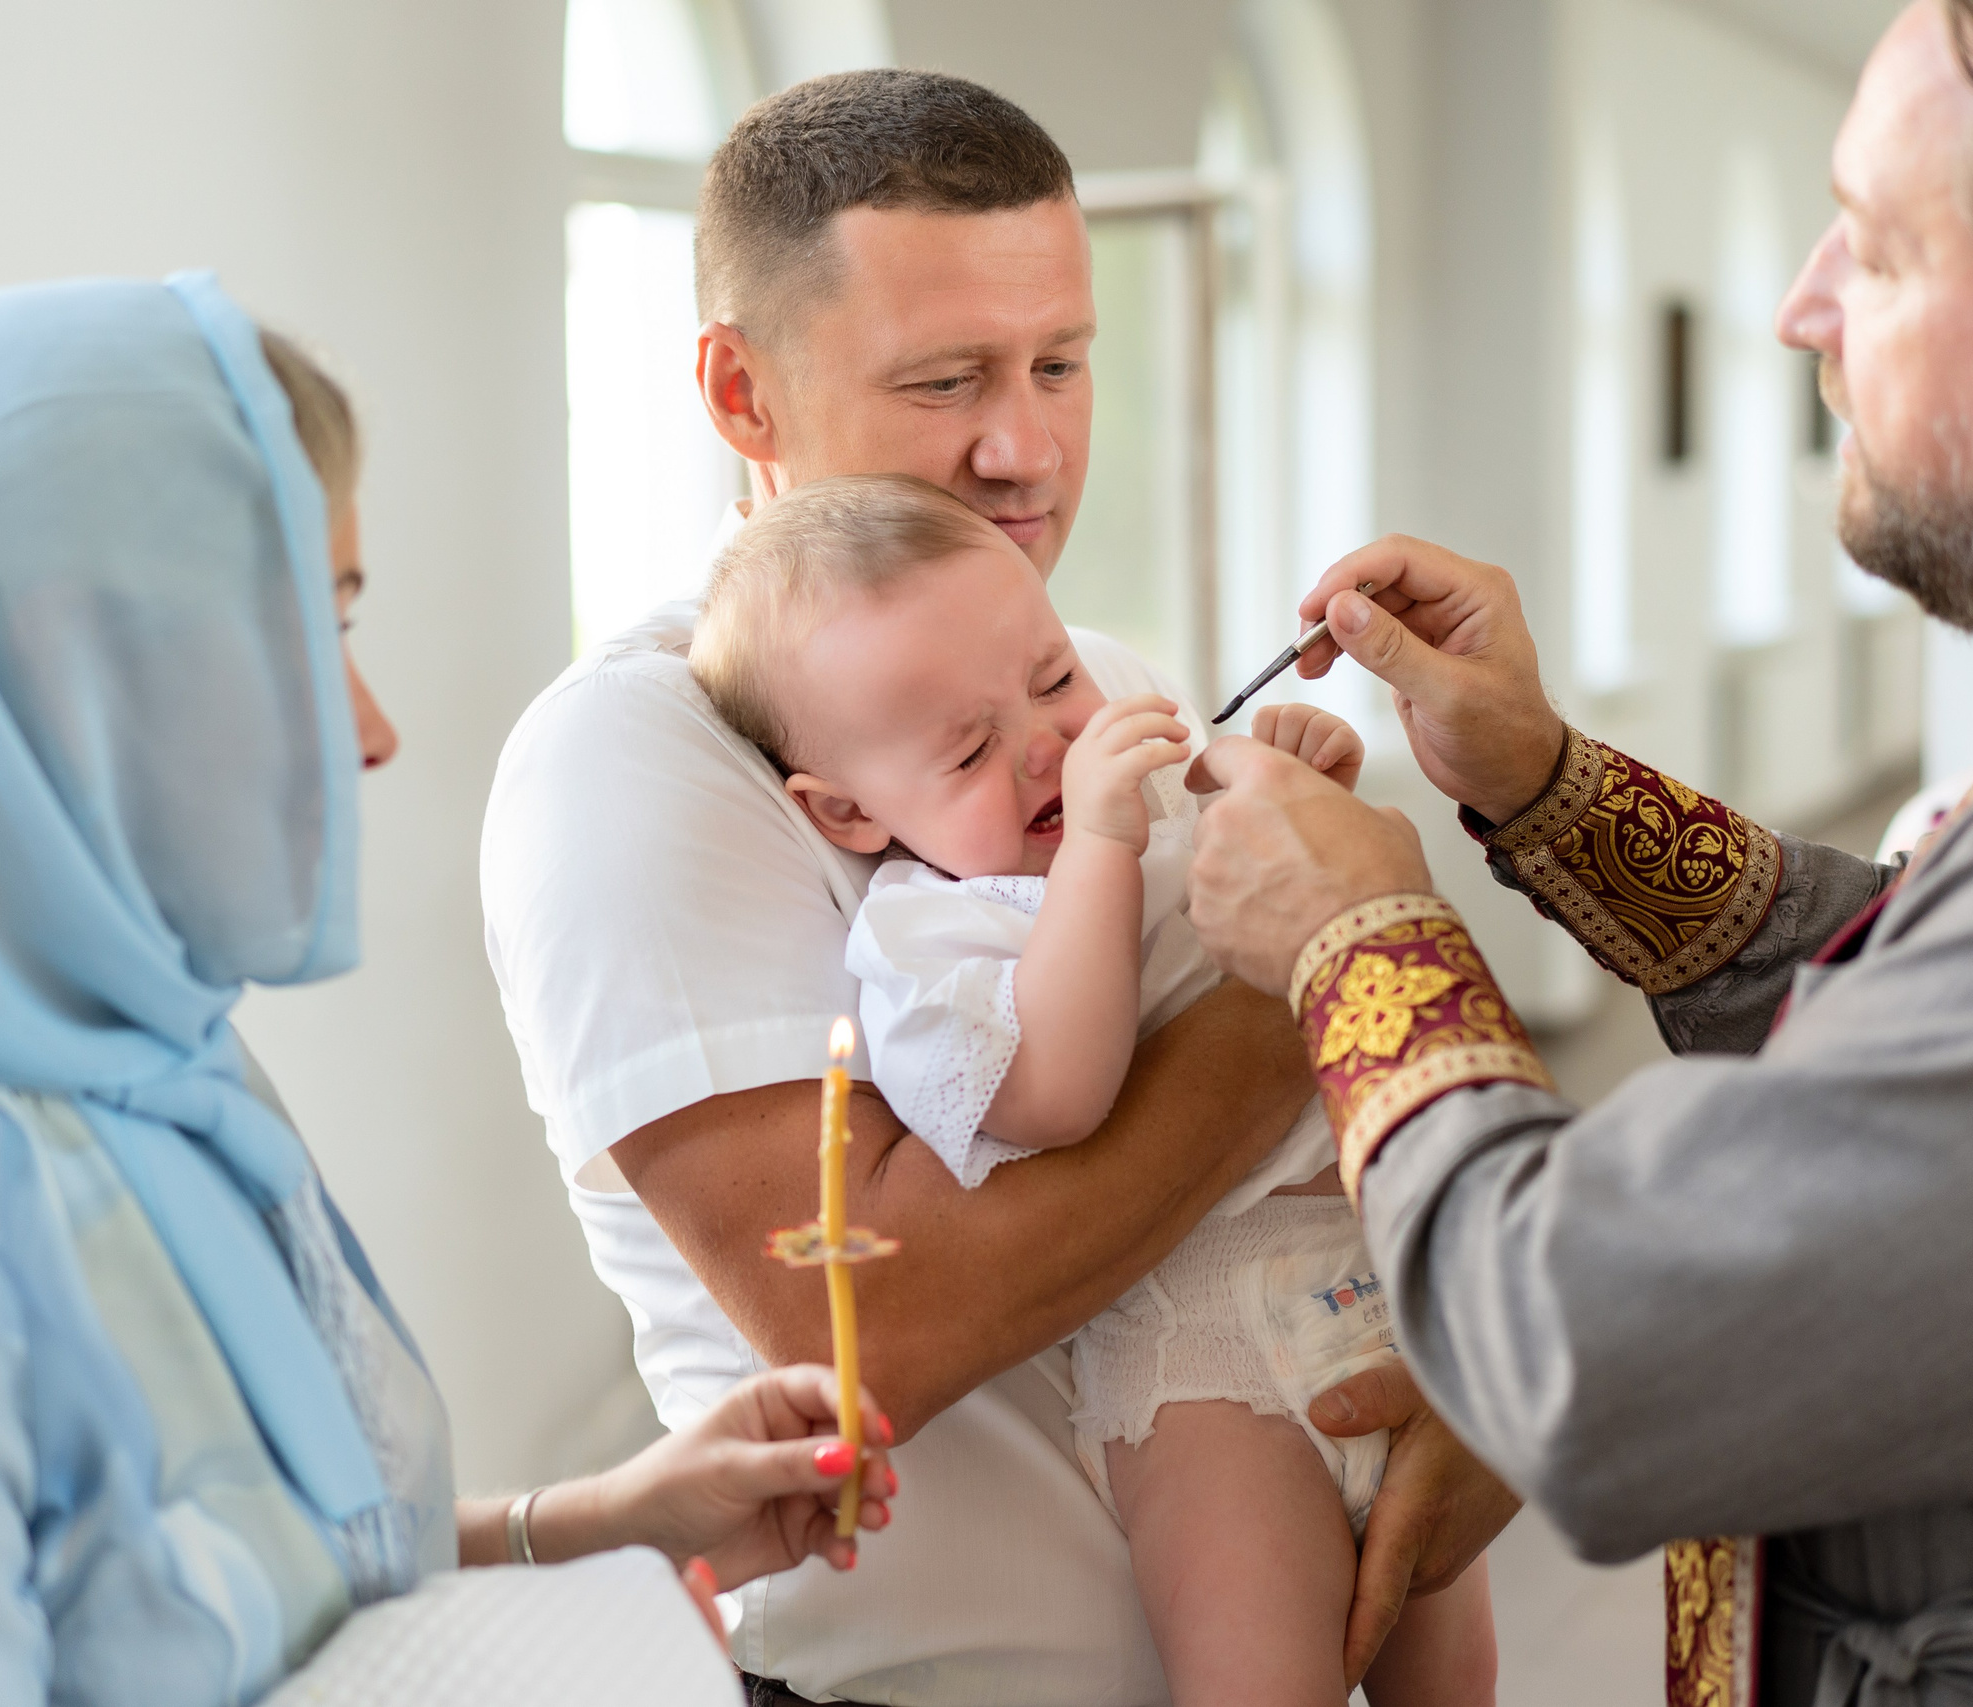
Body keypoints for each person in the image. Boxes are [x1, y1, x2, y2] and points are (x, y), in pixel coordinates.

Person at [1180, 0, 1973, 1702]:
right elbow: (1962, 994)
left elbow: (1604, 1350)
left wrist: (1363, 939)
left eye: (1871, 245)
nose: (1802, 312)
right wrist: (1553, 790)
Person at [481, 67, 1510, 1706]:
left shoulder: (1093, 673)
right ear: (741, 392)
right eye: (946, 376)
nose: (1025, 444)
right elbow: (871, 1322)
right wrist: (1322, 977)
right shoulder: (633, 755)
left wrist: (1445, 1331)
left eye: (1061, 362)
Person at [0, 275, 892, 1707]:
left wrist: (606, 1520)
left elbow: (263, 1603)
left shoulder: (160, 1082)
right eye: (314, 627)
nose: (371, 728)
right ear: (70, 670)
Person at [688, 474, 1489, 1705]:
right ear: (846, 810)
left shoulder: (1154, 801)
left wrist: (1294, 783)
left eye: (1056, 679)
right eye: (966, 746)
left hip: (1383, 1284)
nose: (1051, 741)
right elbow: (1061, 1092)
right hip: (1204, 1375)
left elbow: (1309, 924)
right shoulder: (928, 942)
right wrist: (1106, 849)